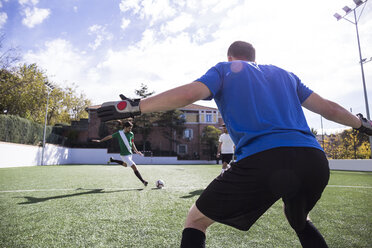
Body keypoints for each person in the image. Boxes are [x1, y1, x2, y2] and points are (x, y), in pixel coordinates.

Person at [96, 41, 372, 247]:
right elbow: (328, 108)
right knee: (299, 219)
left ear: (230, 57)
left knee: (196, 221)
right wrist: (361, 124)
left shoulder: (225, 69)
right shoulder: (285, 74)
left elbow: (191, 92)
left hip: (264, 159)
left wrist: (136, 105)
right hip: (314, 160)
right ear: (255, 58)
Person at [93, 120, 148, 187]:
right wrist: (100, 140)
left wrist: (136, 151)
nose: (130, 129)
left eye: (131, 128)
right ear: (125, 127)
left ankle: (113, 160)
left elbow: (132, 143)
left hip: (130, 154)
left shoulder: (131, 134)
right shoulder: (119, 133)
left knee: (126, 165)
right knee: (134, 166)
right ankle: (143, 181)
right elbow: (109, 136)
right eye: (129, 128)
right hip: (124, 155)